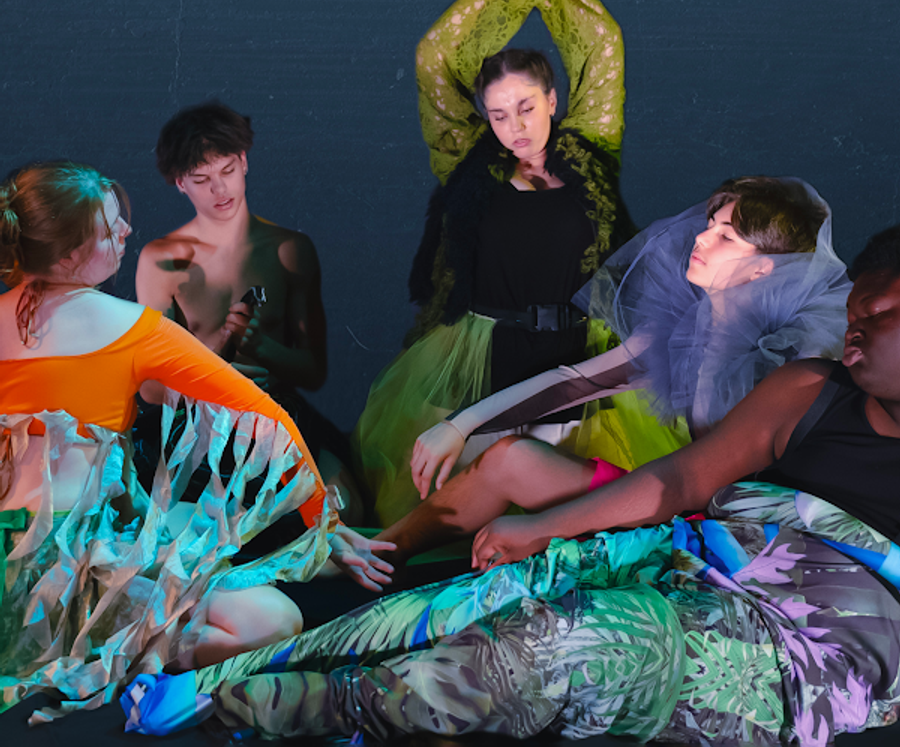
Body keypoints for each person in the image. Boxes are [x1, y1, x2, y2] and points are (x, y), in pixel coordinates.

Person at [124, 224, 900, 746]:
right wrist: (539, 521)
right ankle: (232, 668)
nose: (857, 326)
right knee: (468, 598)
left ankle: (273, 704)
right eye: (856, 311)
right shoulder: (808, 386)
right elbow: (679, 477)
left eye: (885, 311)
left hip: (803, 631)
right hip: (696, 549)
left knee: (563, 640)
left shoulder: (778, 344)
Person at [0, 161, 392, 718]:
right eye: (110, 230)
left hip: (23, 565)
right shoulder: (130, 328)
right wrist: (320, 525)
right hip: (83, 565)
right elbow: (265, 418)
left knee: (184, 525)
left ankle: (85, 651)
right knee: (272, 620)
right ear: (66, 258)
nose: (127, 232)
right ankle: (112, 660)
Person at [380, 176, 850, 562]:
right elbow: (574, 383)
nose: (702, 237)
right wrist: (459, 425)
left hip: (742, 542)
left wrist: (545, 525)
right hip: (680, 505)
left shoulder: (792, 360)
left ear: (763, 270)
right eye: (710, 225)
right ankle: (375, 552)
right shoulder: (683, 329)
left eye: (726, 237)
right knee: (509, 458)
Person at [353, 0, 633, 526]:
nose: (515, 127)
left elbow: (602, 39)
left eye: (527, 107)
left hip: (576, 352)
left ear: (554, 100)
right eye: (499, 114)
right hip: (484, 353)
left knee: (566, 517)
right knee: (466, 514)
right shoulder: (467, 162)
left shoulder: (592, 152)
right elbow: (434, 58)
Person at [135, 101, 362, 524]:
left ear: (243, 162)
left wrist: (261, 347)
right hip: (197, 425)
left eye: (227, 171)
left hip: (276, 416)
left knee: (342, 513)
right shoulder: (162, 260)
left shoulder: (289, 249)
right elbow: (149, 388)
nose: (219, 189)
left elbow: (312, 371)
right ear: (180, 183)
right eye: (201, 179)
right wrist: (217, 364)